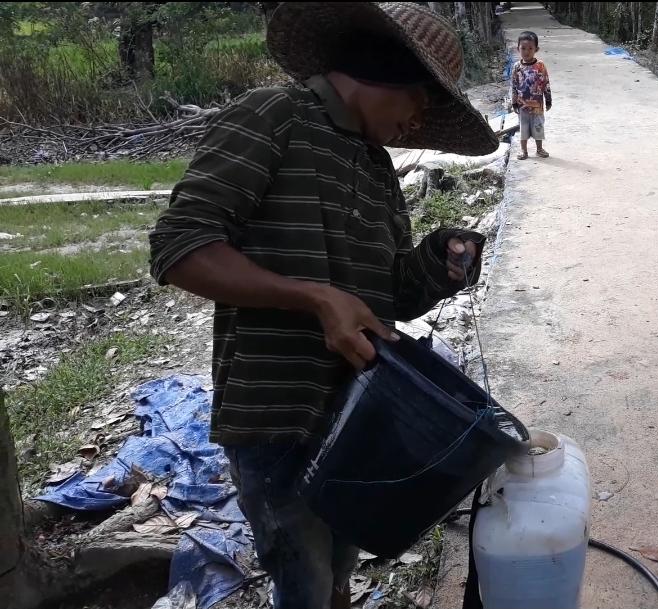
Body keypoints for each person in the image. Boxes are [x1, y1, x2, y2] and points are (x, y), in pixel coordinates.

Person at [147, 3, 498, 609]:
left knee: (338, 569)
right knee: (303, 581)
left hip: (359, 414)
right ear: (384, 74)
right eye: (420, 102)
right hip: (278, 418)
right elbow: (179, 248)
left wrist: (440, 259)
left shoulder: (376, 166)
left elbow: (389, 295)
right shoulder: (272, 117)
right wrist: (313, 298)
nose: (417, 122)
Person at [510, 30, 552, 160]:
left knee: (538, 126)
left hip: (537, 106)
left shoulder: (540, 66)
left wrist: (548, 99)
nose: (526, 52)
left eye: (530, 48)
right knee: (523, 128)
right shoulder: (517, 67)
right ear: (518, 49)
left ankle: (539, 149)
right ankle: (524, 151)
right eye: (523, 48)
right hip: (522, 106)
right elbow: (514, 85)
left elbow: (546, 83)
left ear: (536, 49)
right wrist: (514, 102)